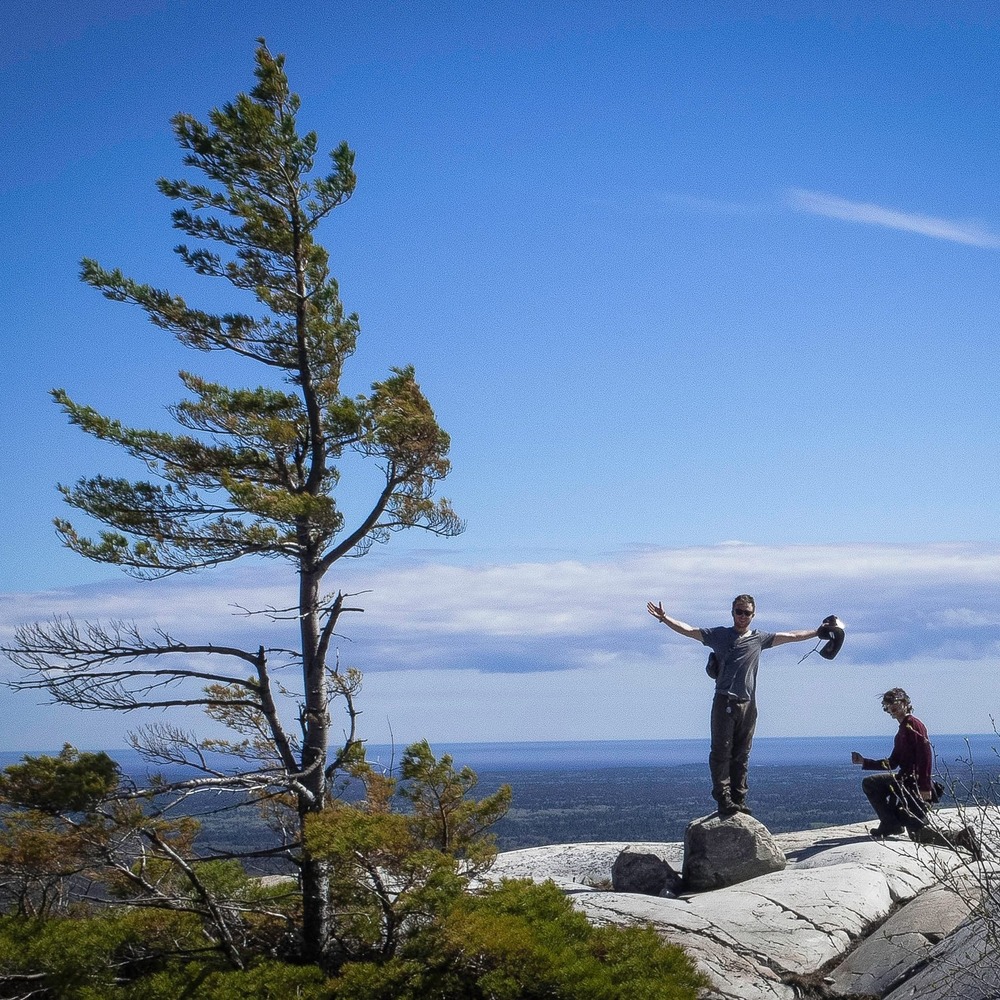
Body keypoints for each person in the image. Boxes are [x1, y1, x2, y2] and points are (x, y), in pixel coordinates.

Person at [647, 594, 823, 817]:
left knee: (742, 753)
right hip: (724, 700)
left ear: (753, 615)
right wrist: (666, 618)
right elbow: (690, 631)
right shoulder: (719, 635)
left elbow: (790, 636)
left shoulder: (759, 638)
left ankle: (739, 799)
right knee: (721, 752)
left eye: (746, 613)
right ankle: (724, 799)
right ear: (732, 612)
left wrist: (818, 631)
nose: (742, 616)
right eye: (739, 611)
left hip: (748, 702)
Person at [851, 688, 933, 840]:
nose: (891, 708)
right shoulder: (903, 729)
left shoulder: (913, 725)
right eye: (888, 706)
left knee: (918, 834)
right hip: (905, 779)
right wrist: (864, 762)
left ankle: (961, 838)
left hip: (913, 782)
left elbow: (925, 755)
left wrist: (925, 786)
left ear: (905, 703)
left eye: (894, 703)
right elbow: (893, 762)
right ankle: (890, 823)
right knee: (871, 784)